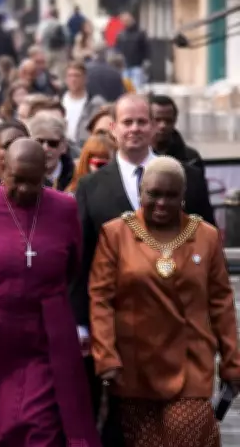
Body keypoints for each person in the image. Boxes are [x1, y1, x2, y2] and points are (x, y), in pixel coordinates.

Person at [73, 94, 215, 446]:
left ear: (154, 126)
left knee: (183, 427)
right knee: (127, 431)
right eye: (127, 122)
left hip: (181, 331)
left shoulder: (189, 179)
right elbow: (81, 260)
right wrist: (81, 324)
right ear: (113, 128)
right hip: (121, 332)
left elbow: (208, 252)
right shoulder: (92, 187)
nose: (135, 129)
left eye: (142, 121)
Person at [0, 138, 99, 447]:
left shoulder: (64, 207)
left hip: (43, 334)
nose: (27, 190)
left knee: (43, 426)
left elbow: (72, 265)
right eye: (18, 181)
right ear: (2, 170)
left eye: (35, 181)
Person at [89, 156, 240, 447]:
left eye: (171, 195)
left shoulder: (205, 236)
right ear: (141, 192)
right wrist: (106, 356)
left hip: (191, 365)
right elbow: (101, 299)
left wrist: (232, 363)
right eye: (153, 194)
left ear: (183, 196)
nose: (161, 202)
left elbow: (221, 303)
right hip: (135, 369)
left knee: (187, 433)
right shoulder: (116, 234)